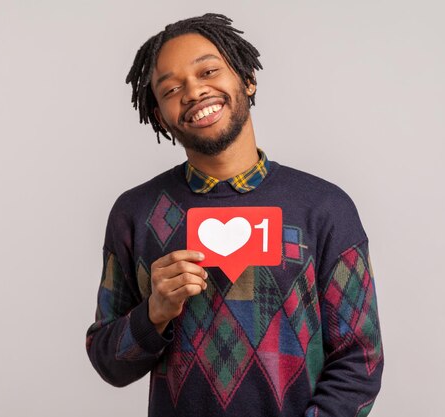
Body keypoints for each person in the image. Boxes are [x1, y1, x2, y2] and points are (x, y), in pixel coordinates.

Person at [86, 13, 383, 417]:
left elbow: (359, 360)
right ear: (160, 116)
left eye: (208, 70)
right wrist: (153, 313)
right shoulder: (135, 214)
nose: (193, 92)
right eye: (171, 88)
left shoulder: (324, 208)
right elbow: (108, 363)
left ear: (246, 79)